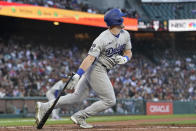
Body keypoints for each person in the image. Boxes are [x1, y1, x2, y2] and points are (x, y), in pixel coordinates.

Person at [35, 8, 132, 129]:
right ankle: (80, 116)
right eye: (121, 18)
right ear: (116, 21)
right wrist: (78, 74)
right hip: (97, 69)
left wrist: (126, 59)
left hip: (102, 70)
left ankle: (45, 106)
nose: (123, 19)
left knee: (77, 97)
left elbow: (128, 52)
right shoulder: (102, 38)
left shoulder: (125, 34)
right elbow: (90, 58)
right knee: (110, 100)